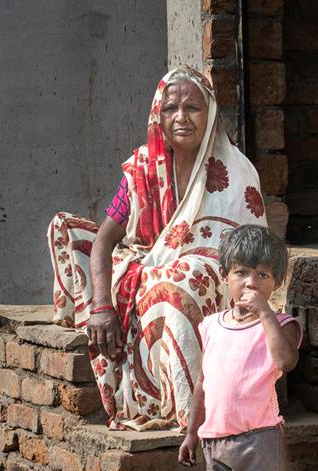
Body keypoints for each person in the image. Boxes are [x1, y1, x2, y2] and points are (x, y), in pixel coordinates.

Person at [47, 66, 268, 430]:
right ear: (157, 115)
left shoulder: (237, 171)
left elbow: (252, 256)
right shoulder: (144, 168)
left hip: (214, 278)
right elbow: (105, 239)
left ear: (209, 113)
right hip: (148, 264)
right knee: (64, 228)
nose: (180, 118)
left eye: (192, 108)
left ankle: (190, 416)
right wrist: (101, 306)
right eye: (170, 109)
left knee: (179, 287)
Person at [178, 225, 301, 471]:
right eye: (242, 273)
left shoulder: (281, 323)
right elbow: (203, 382)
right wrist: (192, 431)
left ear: (276, 282)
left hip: (260, 435)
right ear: (225, 276)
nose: (251, 283)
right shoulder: (211, 325)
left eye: (263, 275)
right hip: (216, 437)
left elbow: (284, 363)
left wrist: (265, 312)